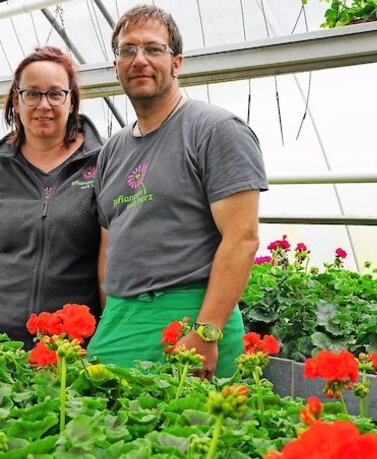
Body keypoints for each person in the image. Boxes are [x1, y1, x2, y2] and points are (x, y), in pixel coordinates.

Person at [87, 6, 268, 378]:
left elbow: (243, 238)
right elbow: (111, 241)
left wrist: (206, 331)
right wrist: (110, 313)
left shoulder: (215, 130)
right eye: (127, 50)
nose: (139, 60)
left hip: (189, 318)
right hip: (119, 322)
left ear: (177, 62)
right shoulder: (112, 150)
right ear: (116, 65)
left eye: (153, 49)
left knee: (194, 434)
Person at [0, 47, 104, 348]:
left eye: (55, 94)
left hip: (69, 348)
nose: (44, 105)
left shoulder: (104, 164)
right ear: (16, 99)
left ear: (72, 100)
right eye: (32, 94)